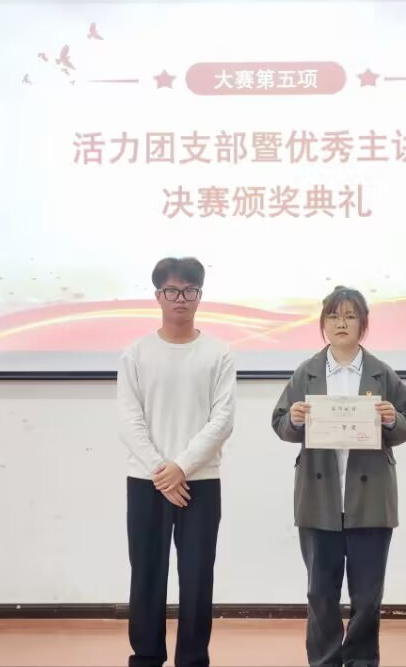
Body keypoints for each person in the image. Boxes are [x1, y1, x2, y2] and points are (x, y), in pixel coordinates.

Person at [272, 286, 406, 667]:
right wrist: (294, 420)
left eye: (350, 316)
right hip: (318, 501)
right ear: (323, 323)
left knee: (367, 597)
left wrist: (392, 420)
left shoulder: (381, 373)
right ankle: (324, 661)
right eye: (334, 316)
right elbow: (280, 423)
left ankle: (361, 661)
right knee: (321, 595)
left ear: (363, 324)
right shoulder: (306, 373)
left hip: (370, 502)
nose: (342, 323)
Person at [117, 256, 236, 667]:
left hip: (200, 481)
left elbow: (223, 420)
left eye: (189, 290)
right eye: (172, 290)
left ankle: (193, 659)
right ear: (158, 296)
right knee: (147, 574)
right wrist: (162, 472)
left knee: (197, 578)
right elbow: (128, 419)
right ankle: (146, 657)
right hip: (146, 481)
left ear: (200, 296)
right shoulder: (136, 353)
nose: (180, 298)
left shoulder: (218, 353)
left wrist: (181, 467)